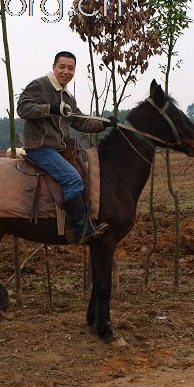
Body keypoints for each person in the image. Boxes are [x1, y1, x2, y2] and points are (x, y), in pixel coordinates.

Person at [17, 51, 118, 244]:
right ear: (54, 67)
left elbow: (80, 122)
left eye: (70, 68)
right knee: (72, 178)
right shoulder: (39, 85)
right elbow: (23, 108)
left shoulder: (68, 97)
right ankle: (82, 229)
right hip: (40, 148)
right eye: (62, 67)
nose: (66, 71)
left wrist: (104, 123)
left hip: (59, 149)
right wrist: (51, 108)